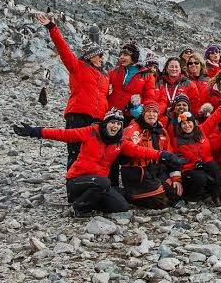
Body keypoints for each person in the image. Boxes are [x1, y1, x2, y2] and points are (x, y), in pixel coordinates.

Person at [12, 109, 181, 214]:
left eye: (118, 124)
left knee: (121, 207)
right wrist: (36, 132)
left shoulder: (119, 142)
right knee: (103, 182)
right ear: (106, 123)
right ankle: (79, 206)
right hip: (78, 180)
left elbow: (139, 150)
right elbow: (63, 134)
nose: (114, 127)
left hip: (99, 183)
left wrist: (164, 155)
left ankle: (92, 202)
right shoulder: (91, 132)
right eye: (112, 122)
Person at [35, 13, 109, 169]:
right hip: (78, 116)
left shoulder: (104, 75)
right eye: (100, 55)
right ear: (91, 56)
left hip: (98, 120)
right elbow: (63, 49)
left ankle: (89, 185)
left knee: (93, 153)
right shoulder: (77, 67)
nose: (102, 58)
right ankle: (73, 186)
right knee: (75, 153)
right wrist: (52, 27)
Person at [172, 113, 221, 203]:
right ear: (180, 126)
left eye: (189, 122)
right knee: (200, 177)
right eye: (184, 124)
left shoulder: (201, 130)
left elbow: (214, 118)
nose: (187, 125)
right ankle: (193, 197)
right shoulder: (177, 140)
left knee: (214, 168)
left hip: (204, 163)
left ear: (194, 123)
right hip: (188, 169)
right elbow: (175, 160)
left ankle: (216, 196)